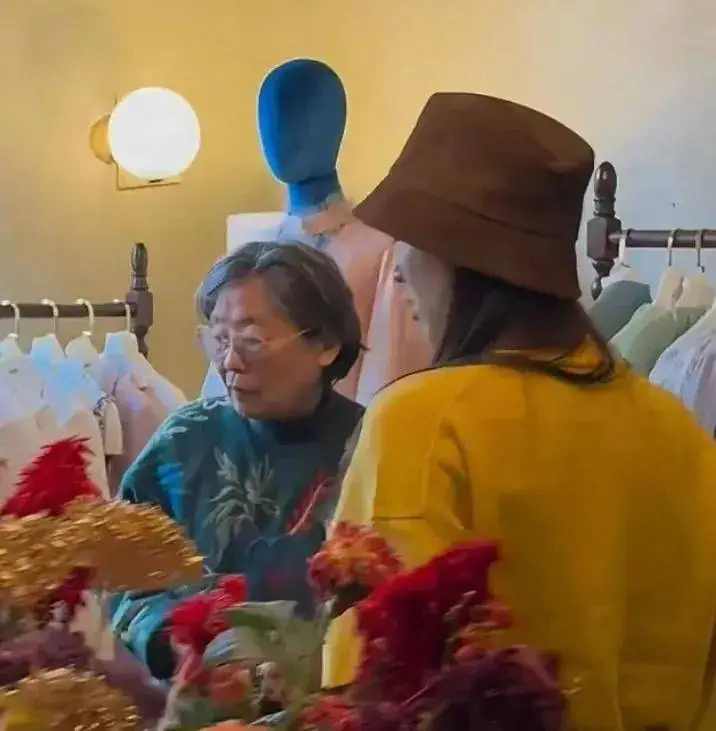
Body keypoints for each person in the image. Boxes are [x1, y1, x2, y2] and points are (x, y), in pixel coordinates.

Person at [323, 93, 716, 730]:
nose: (400, 275)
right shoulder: (675, 430)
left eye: (411, 248)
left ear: (457, 262)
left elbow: (374, 680)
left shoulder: (423, 421)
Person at [110, 241, 364, 680]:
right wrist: (174, 638)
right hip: (196, 691)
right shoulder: (185, 438)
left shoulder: (368, 445)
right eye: (219, 340)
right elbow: (121, 570)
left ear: (324, 344)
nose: (229, 362)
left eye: (252, 341)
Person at [257, 58, 433, 405]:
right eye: (270, 121)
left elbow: (389, 372)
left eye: (302, 120)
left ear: (332, 126)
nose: (282, 136)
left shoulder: (383, 248)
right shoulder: (259, 247)